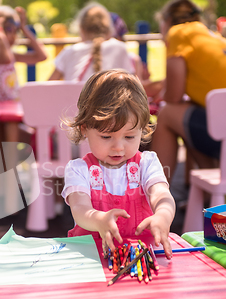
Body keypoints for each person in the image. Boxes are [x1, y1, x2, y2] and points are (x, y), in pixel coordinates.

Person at [149, 0, 226, 182]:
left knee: (167, 115)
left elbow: (173, 96)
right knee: (189, 115)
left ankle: (154, 193)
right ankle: (204, 193)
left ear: (166, 21)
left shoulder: (178, 33)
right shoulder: (213, 38)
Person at [61, 69, 175, 258]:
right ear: (85, 129)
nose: (118, 147)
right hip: (92, 258)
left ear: (142, 129)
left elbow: (162, 195)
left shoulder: (146, 163)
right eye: (106, 137)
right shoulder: (79, 169)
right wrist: (98, 219)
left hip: (141, 257)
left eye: (130, 136)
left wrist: (163, 215)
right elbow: (79, 208)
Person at [48, 2, 142, 82]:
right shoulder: (119, 48)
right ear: (109, 30)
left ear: (82, 30)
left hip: (74, 103)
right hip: (112, 103)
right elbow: (132, 86)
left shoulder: (69, 52)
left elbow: (48, 85)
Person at [0, 5, 47, 101]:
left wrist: (23, 28)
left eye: (15, 31)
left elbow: (42, 56)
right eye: (8, 30)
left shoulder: (11, 54)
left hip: (14, 107)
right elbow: (6, 59)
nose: (13, 35)